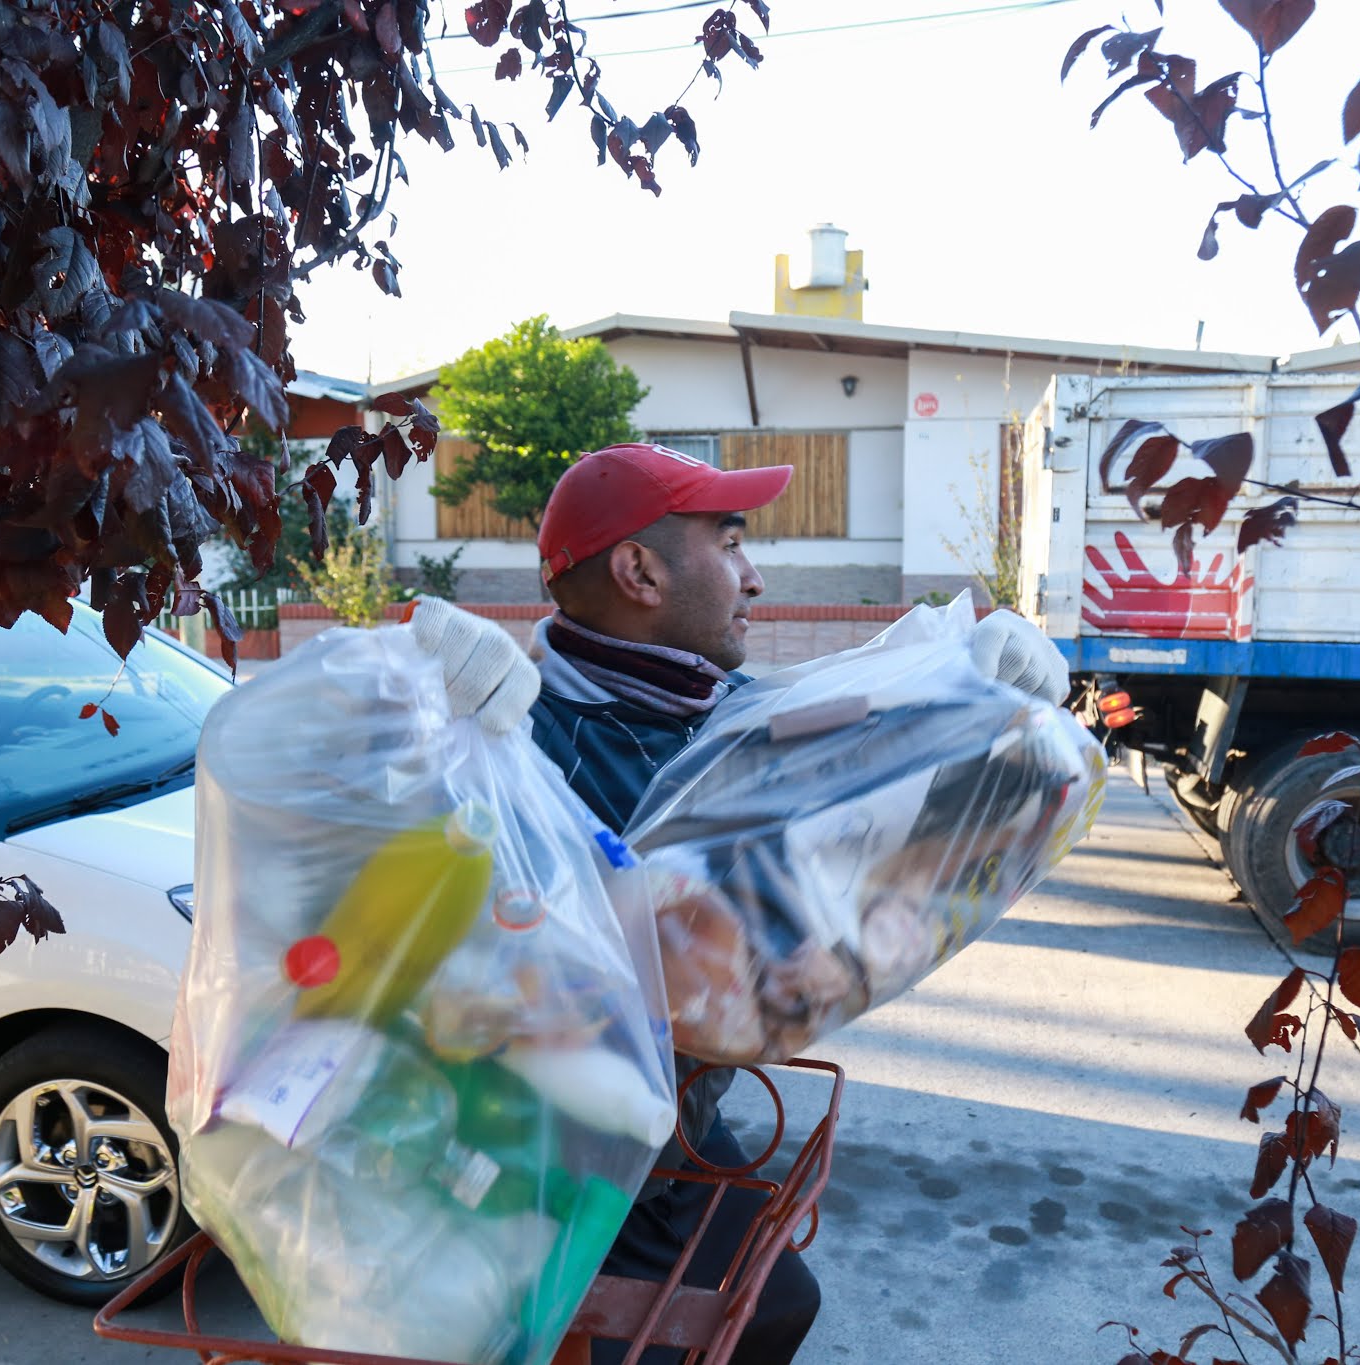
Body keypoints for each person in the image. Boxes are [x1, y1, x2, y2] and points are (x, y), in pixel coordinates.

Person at [407, 443, 1068, 1363]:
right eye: (729, 544)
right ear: (640, 571)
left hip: (671, 1129)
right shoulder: (509, 737)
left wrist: (974, 702)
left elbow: (862, 751)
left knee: (776, 1303)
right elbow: (348, 868)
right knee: (697, 1327)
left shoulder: (722, 712)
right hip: (546, 1167)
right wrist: (400, 705)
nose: (754, 578)